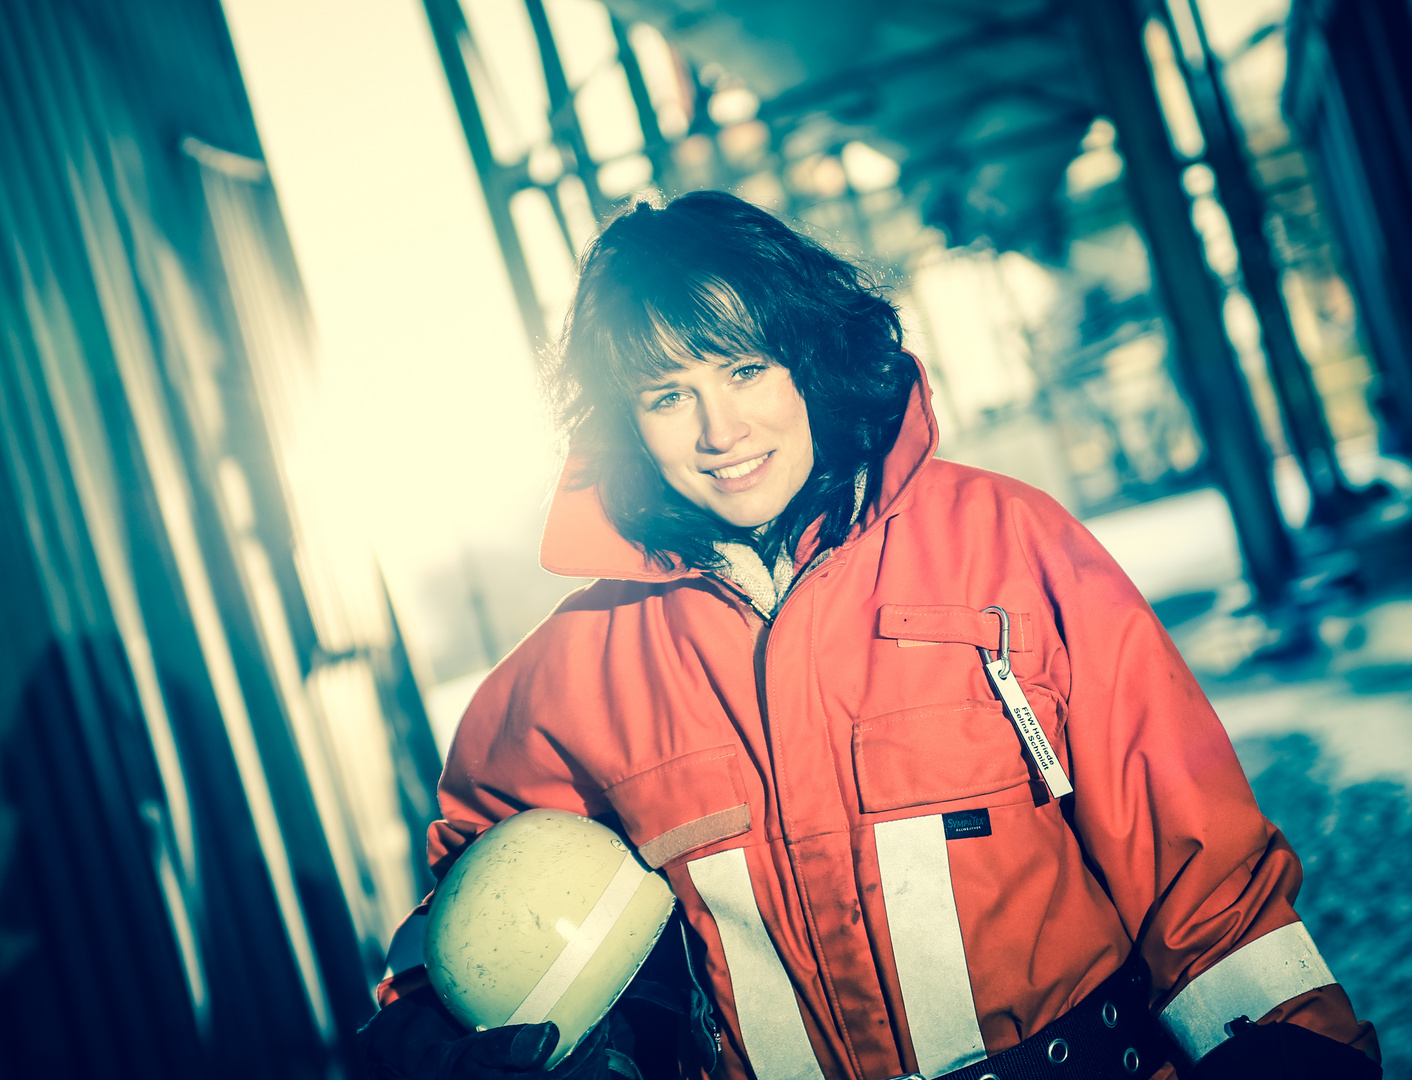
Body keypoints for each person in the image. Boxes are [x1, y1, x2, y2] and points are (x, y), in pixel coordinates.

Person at [358, 191, 1382, 1080]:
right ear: (625, 425)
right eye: (670, 398)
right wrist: (443, 1046)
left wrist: (1286, 1051)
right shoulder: (568, 681)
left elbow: (1197, 871)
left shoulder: (1009, 549)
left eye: (745, 371)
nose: (721, 433)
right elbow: (462, 942)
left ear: (808, 358)